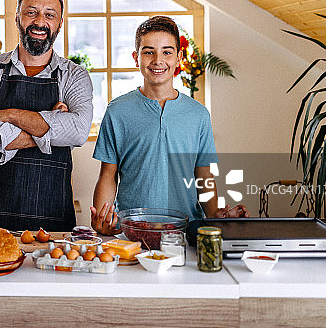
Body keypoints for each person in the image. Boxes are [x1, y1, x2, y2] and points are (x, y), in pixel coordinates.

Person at [90, 16, 249, 235]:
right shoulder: (117, 111)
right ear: (136, 58)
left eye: (167, 52)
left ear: (178, 58)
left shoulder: (198, 115)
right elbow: (108, 175)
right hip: (131, 231)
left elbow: (203, 174)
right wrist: (102, 217)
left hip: (186, 232)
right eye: (148, 52)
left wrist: (215, 216)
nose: (158, 60)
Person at [0, 0, 93, 231]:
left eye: (49, 14)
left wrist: (9, 115)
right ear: (17, 18)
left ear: (60, 23)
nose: (40, 21)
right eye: (31, 12)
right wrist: (51, 130)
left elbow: (77, 132)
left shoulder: (74, 76)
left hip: (53, 219)